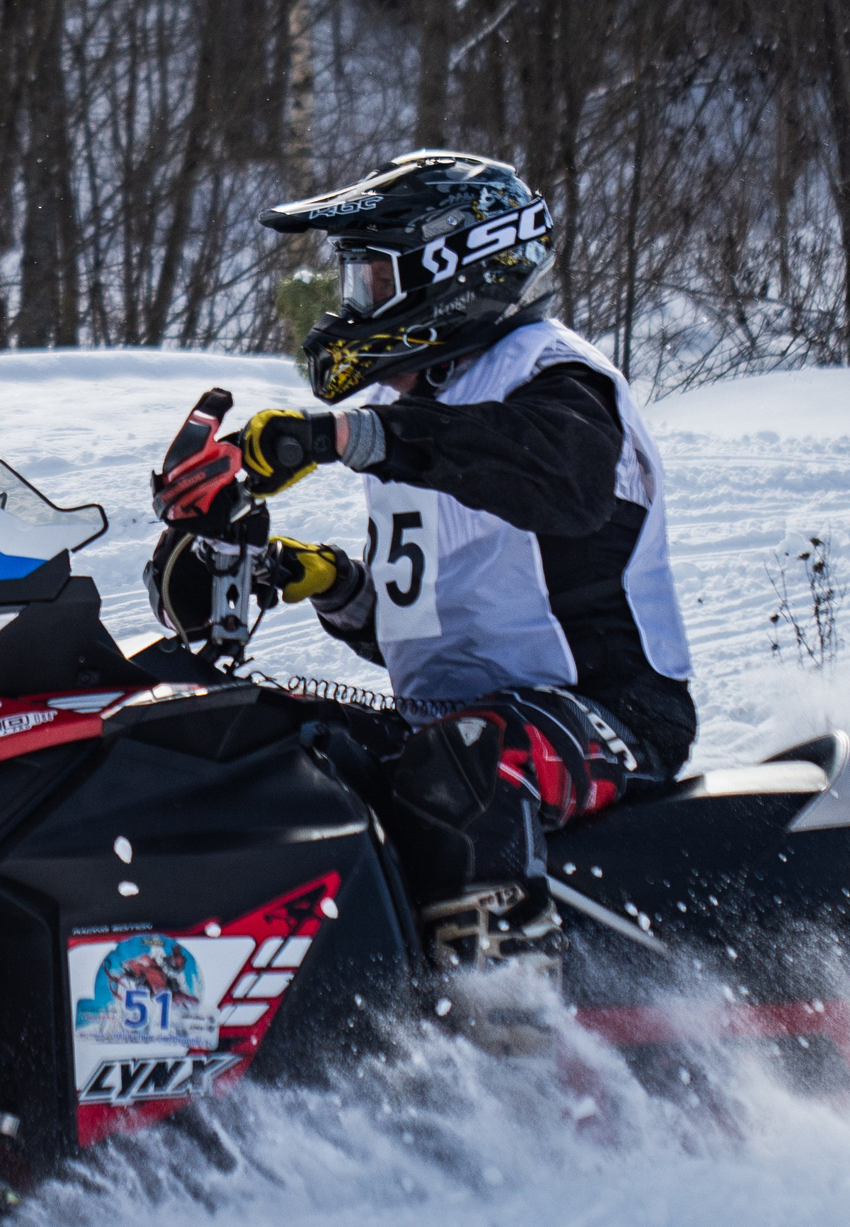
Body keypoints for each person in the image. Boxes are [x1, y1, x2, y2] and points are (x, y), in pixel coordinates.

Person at [166, 150, 698, 964]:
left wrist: (343, 438)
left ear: (453, 272)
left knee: (463, 764)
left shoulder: (558, 379)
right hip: (451, 713)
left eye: (373, 281)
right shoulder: (402, 405)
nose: (355, 304)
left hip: (610, 710)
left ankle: (508, 1040)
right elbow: (419, 627)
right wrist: (325, 580)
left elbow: (564, 482)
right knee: (281, 743)